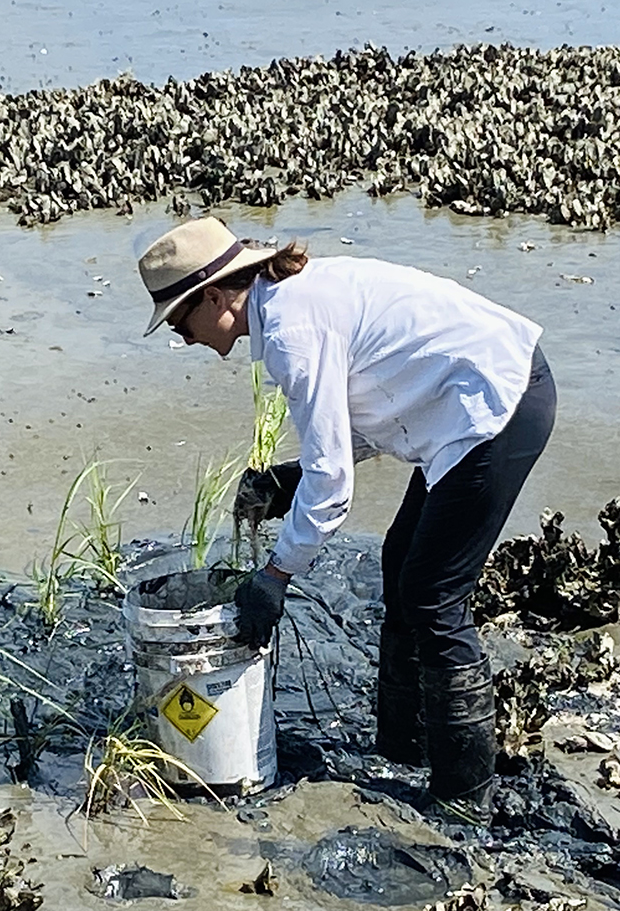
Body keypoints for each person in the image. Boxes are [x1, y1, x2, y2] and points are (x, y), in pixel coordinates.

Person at [136, 216, 556, 823]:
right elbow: (371, 412)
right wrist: (287, 480)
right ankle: (404, 749)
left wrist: (276, 576)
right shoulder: (287, 306)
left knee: (435, 598)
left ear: (214, 295)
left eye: (180, 320)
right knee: (401, 561)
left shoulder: (289, 331)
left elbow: (333, 485)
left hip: (497, 402)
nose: (184, 337)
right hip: (459, 408)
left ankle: (466, 796)